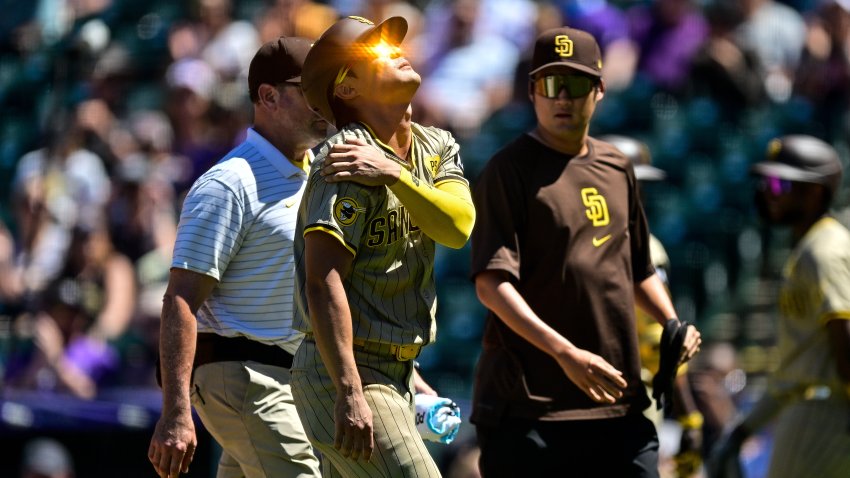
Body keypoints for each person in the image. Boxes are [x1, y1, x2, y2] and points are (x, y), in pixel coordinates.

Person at [469, 26, 701, 477]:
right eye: (551, 85)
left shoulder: (617, 166)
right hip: (529, 408)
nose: (562, 98)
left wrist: (670, 321)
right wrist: (564, 353)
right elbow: (491, 285)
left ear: (598, 90)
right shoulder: (507, 170)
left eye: (575, 85)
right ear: (533, 91)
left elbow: (638, 268)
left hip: (616, 403)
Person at [291, 15, 475, 477]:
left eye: (392, 43)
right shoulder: (344, 159)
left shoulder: (435, 145)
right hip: (344, 372)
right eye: (373, 50)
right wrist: (349, 390)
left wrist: (395, 173)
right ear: (347, 89)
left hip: (398, 372)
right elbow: (322, 281)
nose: (395, 49)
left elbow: (458, 226)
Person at [147, 37, 327, 478]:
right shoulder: (229, 183)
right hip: (243, 376)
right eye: (313, 88)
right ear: (268, 96)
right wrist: (175, 412)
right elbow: (180, 301)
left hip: (293, 379)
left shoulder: (319, 174)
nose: (327, 100)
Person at [708, 135, 850, 478]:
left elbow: (846, 338)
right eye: (767, 181)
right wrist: (743, 429)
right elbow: (793, 370)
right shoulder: (810, 246)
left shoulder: (825, 250)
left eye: (780, 182)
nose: (769, 191)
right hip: (810, 407)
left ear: (815, 191)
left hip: (824, 412)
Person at [601, 134, 705, 477]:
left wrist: (689, 414)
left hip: (626, 401)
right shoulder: (632, 244)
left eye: (636, 185)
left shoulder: (644, 248)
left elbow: (661, 338)